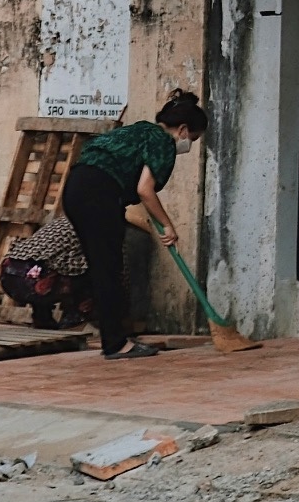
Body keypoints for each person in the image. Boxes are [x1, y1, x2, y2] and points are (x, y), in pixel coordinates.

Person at [58, 90, 207, 359]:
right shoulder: (163, 142)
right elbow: (145, 190)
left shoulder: (140, 130)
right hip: (99, 195)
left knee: (102, 267)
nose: (189, 145)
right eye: (192, 139)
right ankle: (116, 344)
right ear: (183, 129)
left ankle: (110, 334)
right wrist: (168, 226)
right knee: (109, 270)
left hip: (75, 188)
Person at [0, 207, 88, 327]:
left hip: (8, 273)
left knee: (52, 266)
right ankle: (73, 315)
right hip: (34, 281)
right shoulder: (94, 228)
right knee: (92, 273)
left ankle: (42, 316)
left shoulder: (63, 221)